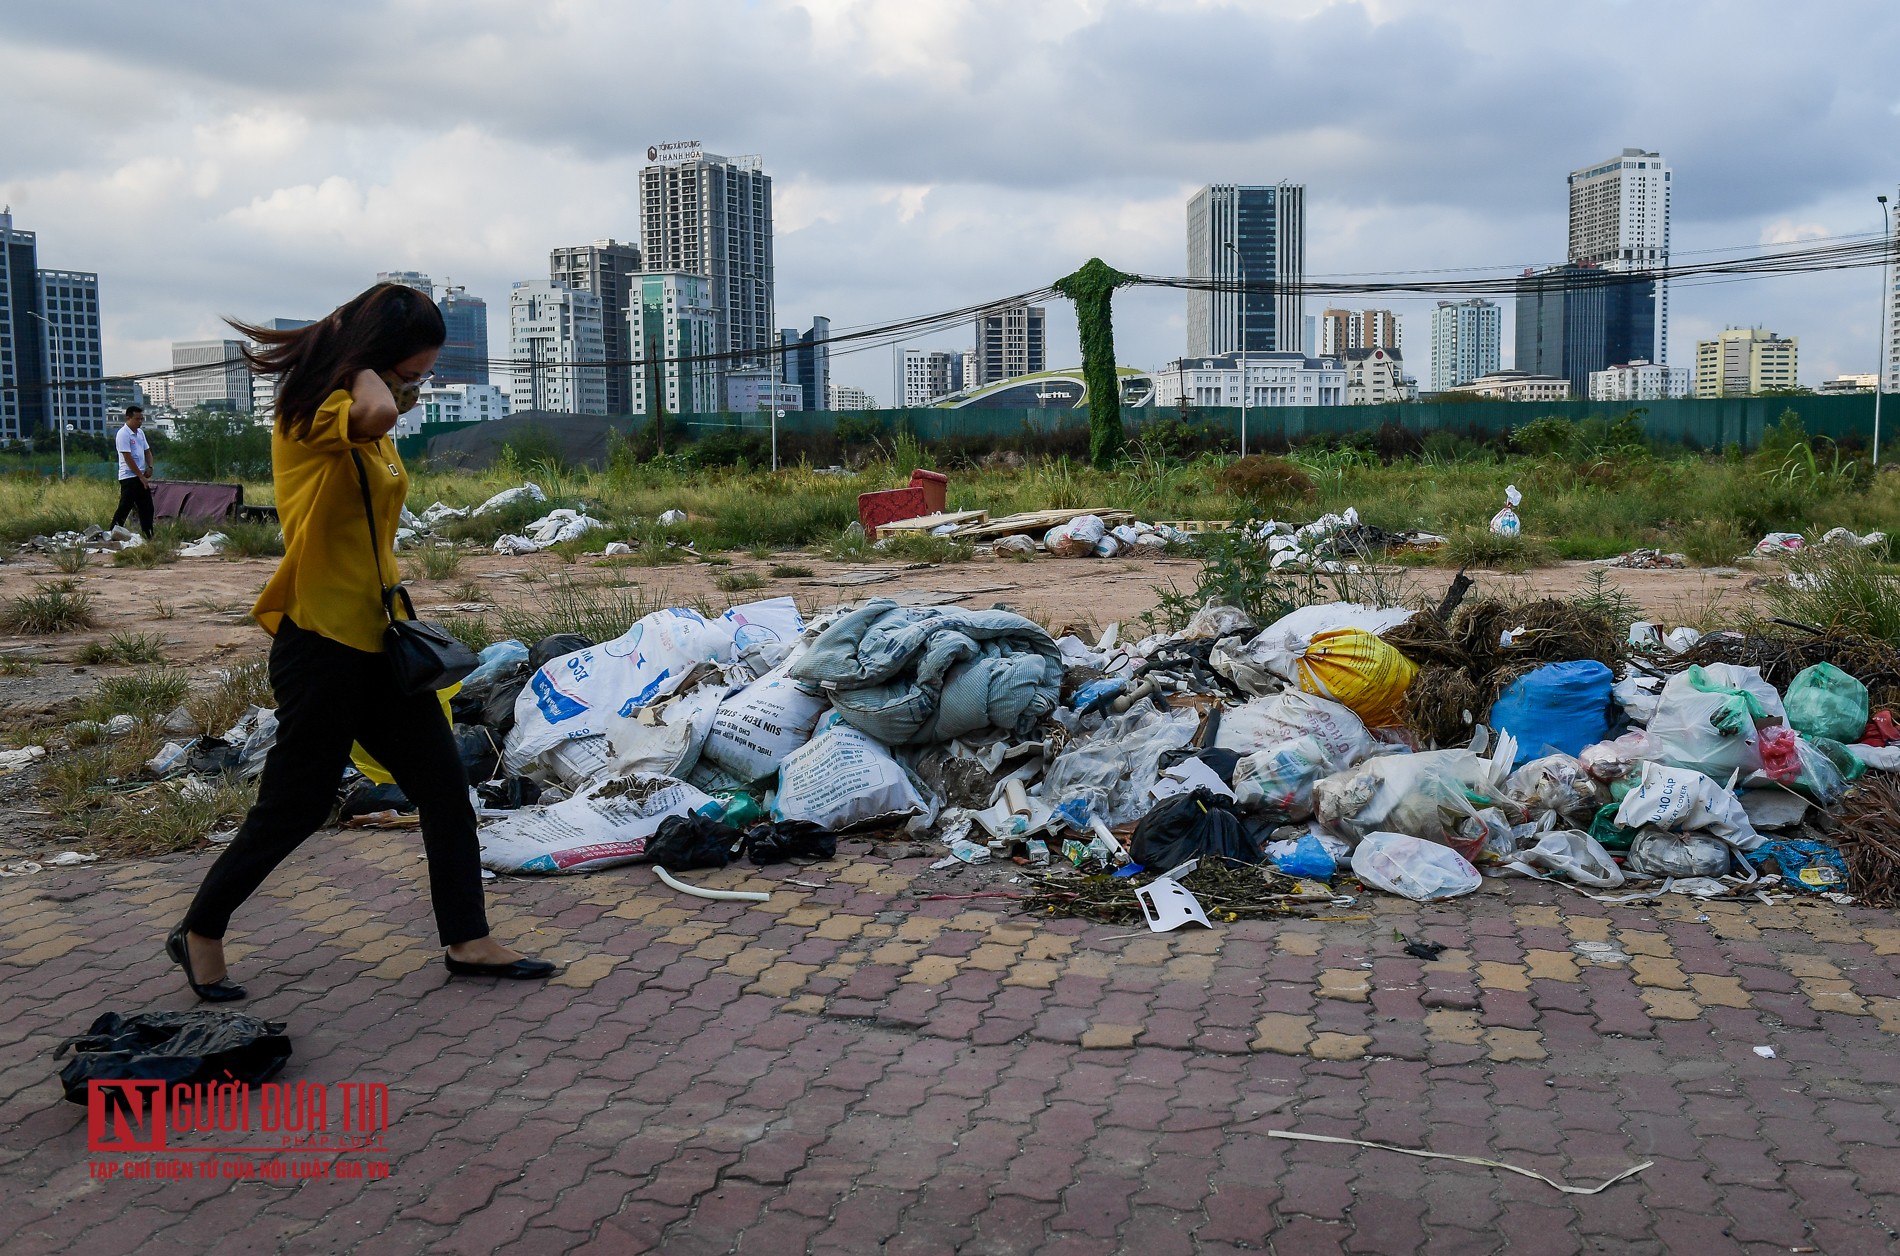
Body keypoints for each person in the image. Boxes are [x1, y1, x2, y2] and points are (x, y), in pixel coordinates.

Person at [167, 282, 555, 1001]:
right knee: (297, 801)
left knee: (443, 785)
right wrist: (363, 369)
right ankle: (200, 930)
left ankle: (467, 940)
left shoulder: (363, 423)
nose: (415, 389)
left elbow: (382, 416)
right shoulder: (315, 412)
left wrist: (384, 376)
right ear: (371, 360)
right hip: (320, 643)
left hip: (379, 640)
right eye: (411, 372)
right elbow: (376, 405)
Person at [111, 405, 155, 537]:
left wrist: (150, 466)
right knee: (125, 506)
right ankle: (113, 532)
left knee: (147, 507)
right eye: (137, 419)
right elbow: (128, 458)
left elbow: (147, 451)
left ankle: (148, 535)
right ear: (128, 418)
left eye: (141, 419)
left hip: (141, 475)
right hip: (129, 477)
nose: (140, 422)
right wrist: (140, 476)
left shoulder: (140, 433)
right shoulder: (123, 434)